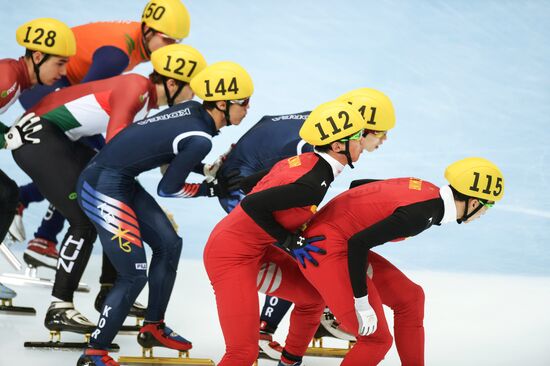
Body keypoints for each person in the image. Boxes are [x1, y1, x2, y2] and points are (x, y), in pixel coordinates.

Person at [12, 44, 206, 339]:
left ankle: (108, 291)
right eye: (191, 89)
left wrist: (204, 170)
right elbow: (118, 149)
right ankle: (59, 305)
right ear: (171, 83)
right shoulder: (137, 87)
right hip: (38, 135)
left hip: (60, 139)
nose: (193, 97)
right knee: (87, 217)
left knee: (113, 206)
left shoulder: (146, 102)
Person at [75, 61, 253, 366]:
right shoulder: (201, 138)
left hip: (117, 179)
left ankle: (153, 325)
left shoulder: (194, 112)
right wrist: (211, 189)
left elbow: (166, 149)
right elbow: (168, 188)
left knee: (170, 245)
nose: (247, 110)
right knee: (133, 274)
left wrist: (206, 170)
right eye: (243, 104)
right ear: (222, 104)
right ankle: (94, 353)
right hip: (101, 186)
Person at [212, 88, 396, 358]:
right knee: (242, 351)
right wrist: (288, 239)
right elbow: (254, 202)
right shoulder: (312, 174)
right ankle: (265, 330)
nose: (380, 139)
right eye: (370, 134)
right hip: (234, 241)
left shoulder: (316, 148)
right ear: (341, 142)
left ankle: (291, 348)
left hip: (253, 220)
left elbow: (259, 182)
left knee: (310, 286)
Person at [15, 0, 191, 271]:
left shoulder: (135, 44)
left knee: (84, 166)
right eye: (168, 40)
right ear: (148, 30)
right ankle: (40, 230)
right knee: (90, 163)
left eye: (177, 42)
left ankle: (35, 223)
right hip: (49, 85)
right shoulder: (118, 54)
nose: (172, 48)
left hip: (61, 81)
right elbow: (84, 94)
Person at [298, 157, 504, 366]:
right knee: (377, 340)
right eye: (487, 207)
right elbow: (358, 244)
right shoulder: (420, 215)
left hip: (338, 241)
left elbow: (358, 186)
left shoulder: (428, 191)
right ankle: (337, 308)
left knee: (411, 298)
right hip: (323, 248)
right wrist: (361, 302)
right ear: (475, 202)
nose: (483, 214)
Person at [0, 17, 75, 308]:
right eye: (59, 63)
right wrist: (6, 139)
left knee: (7, 194)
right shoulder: (8, 78)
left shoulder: (17, 79)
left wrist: (8, 134)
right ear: (38, 56)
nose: (64, 71)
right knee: (6, 194)